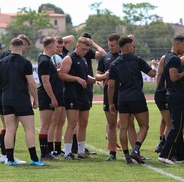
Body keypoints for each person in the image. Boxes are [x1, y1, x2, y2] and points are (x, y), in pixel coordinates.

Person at [0, 37, 47, 166]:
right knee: (29, 129)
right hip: (21, 99)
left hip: (6, 98)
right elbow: (32, 83)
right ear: (22, 46)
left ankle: (9, 159)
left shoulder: (1, 61)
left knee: (10, 129)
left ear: (11, 46)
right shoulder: (25, 62)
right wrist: (36, 99)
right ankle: (34, 159)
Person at [107, 36, 157, 164]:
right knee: (144, 126)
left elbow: (111, 85)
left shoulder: (114, 64)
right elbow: (152, 74)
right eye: (133, 46)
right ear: (128, 47)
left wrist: (111, 102)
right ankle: (136, 149)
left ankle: (127, 156)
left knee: (123, 128)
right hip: (137, 97)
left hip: (122, 98)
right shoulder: (136, 60)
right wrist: (152, 65)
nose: (134, 48)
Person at [0, 34, 31, 164]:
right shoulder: (15, 58)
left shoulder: (0, 56)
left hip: (1, 94)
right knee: (11, 126)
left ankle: (5, 155)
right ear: (21, 44)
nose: (25, 50)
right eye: (25, 47)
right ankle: (6, 156)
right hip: (11, 95)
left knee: (6, 125)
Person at [60, 37, 97, 160]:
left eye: (86, 50)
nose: (84, 51)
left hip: (83, 95)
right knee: (72, 123)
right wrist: (76, 78)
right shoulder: (68, 58)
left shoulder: (83, 59)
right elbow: (62, 74)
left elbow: (84, 76)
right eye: (82, 49)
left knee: (84, 123)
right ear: (77, 47)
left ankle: (81, 151)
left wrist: (96, 80)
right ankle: (67, 152)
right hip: (72, 95)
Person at [158, 35, 184, 165]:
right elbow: (174, 77)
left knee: (178, 126)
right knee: (176, 127)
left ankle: (181, 156)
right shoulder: (174, 59)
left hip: (174, 95)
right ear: (176, 44)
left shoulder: (168, 57)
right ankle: (164, 154)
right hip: (176, 96)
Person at [95, 33, 124, 161]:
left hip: (124, 93)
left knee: (128, 124)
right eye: (109, 45)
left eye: (113, 45)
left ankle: (133, 151)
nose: (110, 47)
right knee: (112, 125)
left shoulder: (126, 57)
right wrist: (104, 76)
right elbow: (97, 76)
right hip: (109, 94)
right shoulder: (104, 58)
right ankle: (112, 153)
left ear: (119, 45)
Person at [48, 35, 74, 156]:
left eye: (60, 46)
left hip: (64, 91)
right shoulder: (50, 57)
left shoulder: (63, 54)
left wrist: (60, 40)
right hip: (55, 91)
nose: (59, 49)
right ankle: (50, 148)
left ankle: (58, 148)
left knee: (61, 122)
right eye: (56, 46)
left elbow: (72, 38)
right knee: (53, 121)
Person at [37, 37, 59, 161]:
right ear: (50, 46)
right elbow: (45, 82)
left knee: (46, 125)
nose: (57, 48)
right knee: (45, 125)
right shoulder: (45, 60)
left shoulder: (47, 59)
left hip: (47, 96)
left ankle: (46, 153)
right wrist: (53, 98)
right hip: (46, 96)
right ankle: (44, 154)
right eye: (55, 45)